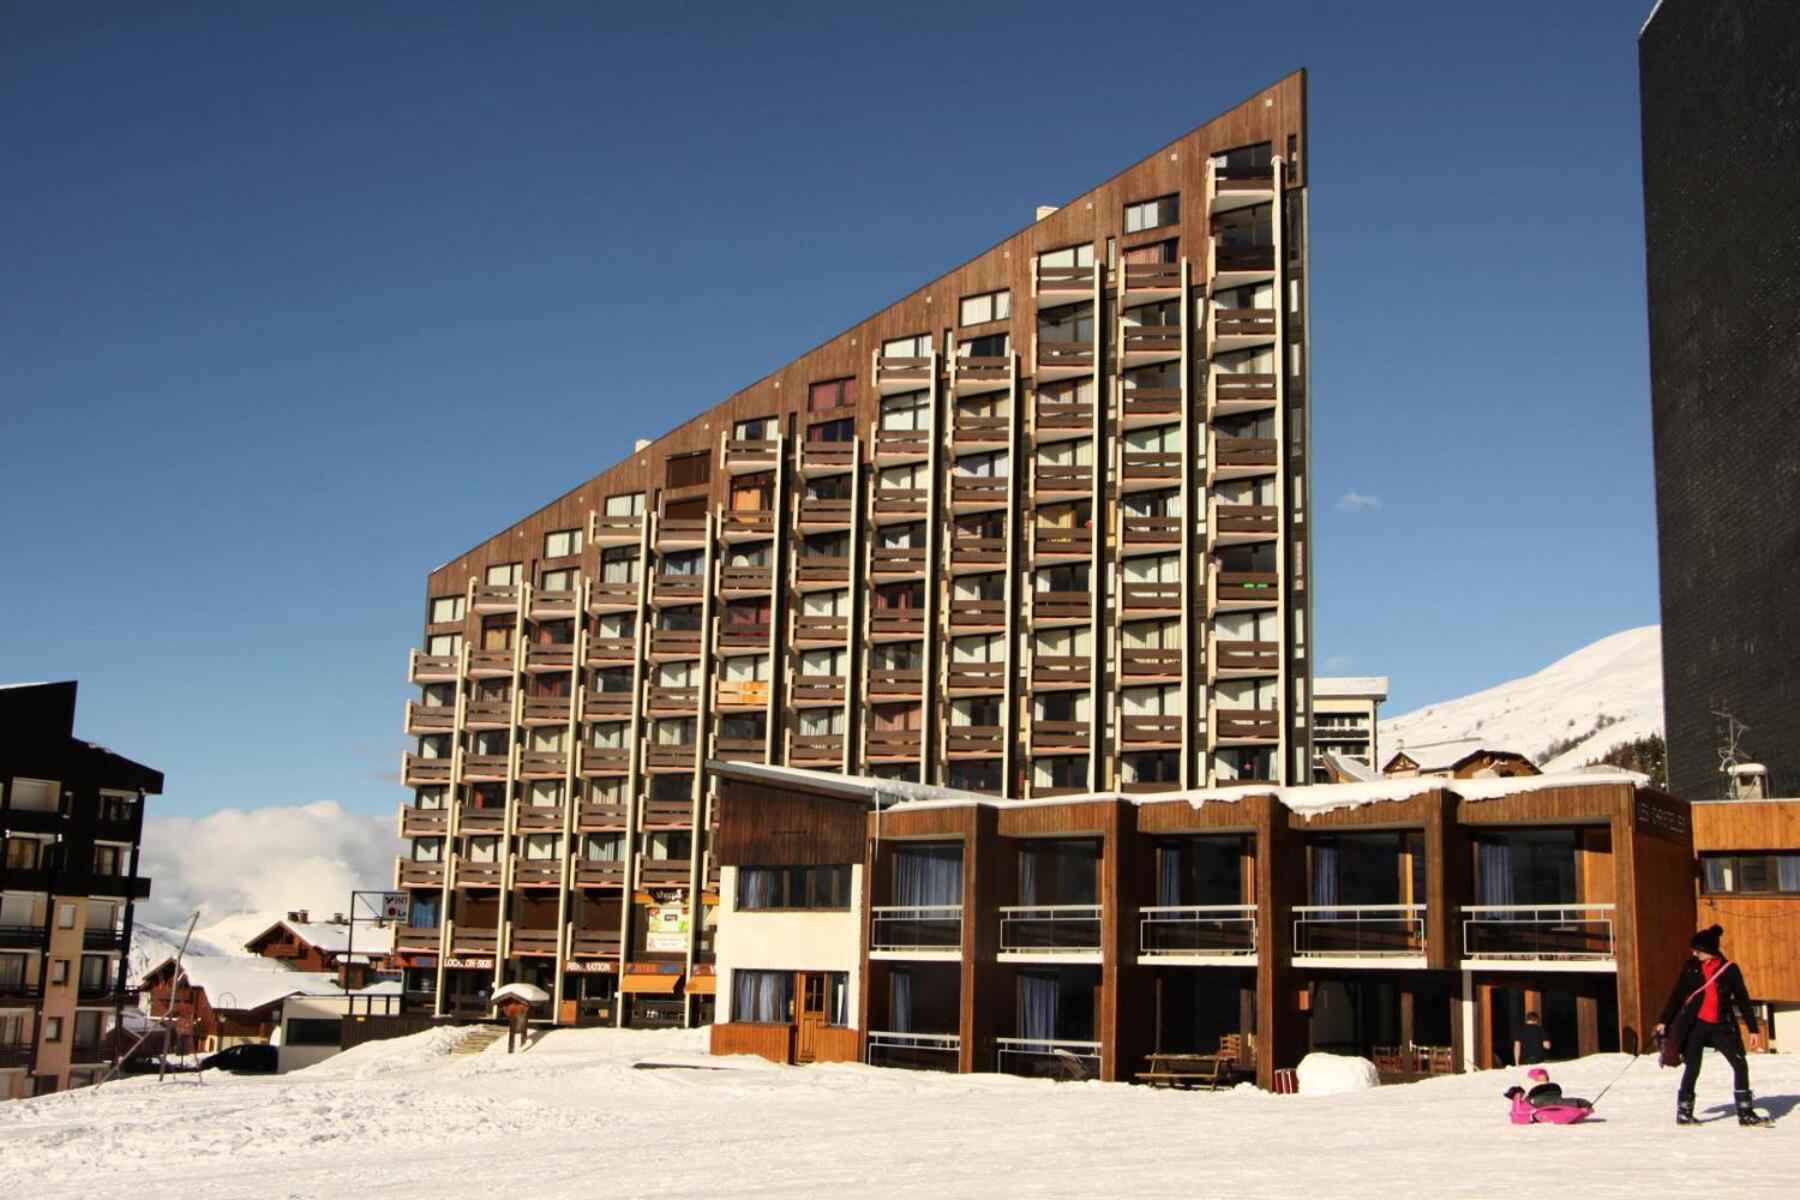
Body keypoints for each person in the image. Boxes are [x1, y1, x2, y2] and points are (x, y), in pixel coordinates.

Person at [1654, 924, 1768, 1126]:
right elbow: (1678, 994)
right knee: (1693, 1068)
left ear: (1709, 950)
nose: (1694, 953)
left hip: (1722, 1027)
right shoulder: (1691, 966)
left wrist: (1752, 1028)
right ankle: (1684, 1112)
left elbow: (1742, 998)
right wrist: (1664, 1020)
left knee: (1740, 1065)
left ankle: (1745, 1112)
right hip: (1696, 1026)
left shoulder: (1729, 969)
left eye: (1697, 950)